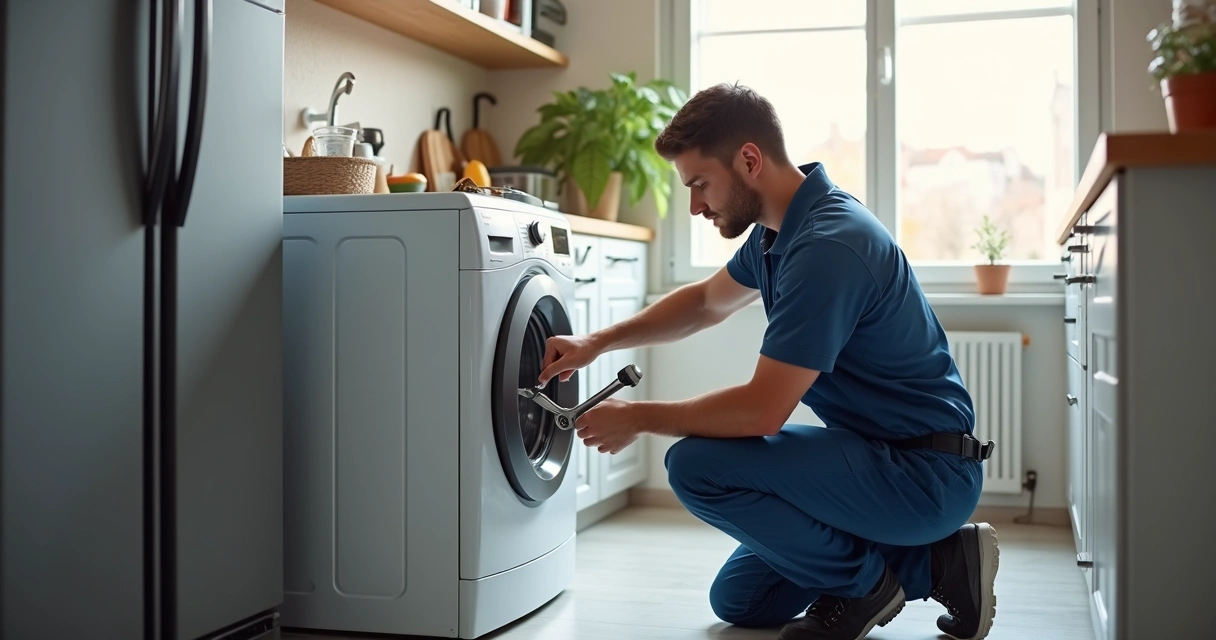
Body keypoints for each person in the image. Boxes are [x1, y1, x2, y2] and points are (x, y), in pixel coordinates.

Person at [536, 83, 999, 640]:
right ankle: (941, 561)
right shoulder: (778, 234)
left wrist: (638, 417)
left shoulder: (830, 245)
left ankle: (867, 587)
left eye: (700, 184)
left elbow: (761, 413)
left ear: (749, 160)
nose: (695, 205)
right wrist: (597, 342)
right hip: (876, 459)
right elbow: (706, 302)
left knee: (694, 466)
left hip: (922, 475)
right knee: (742, 600)